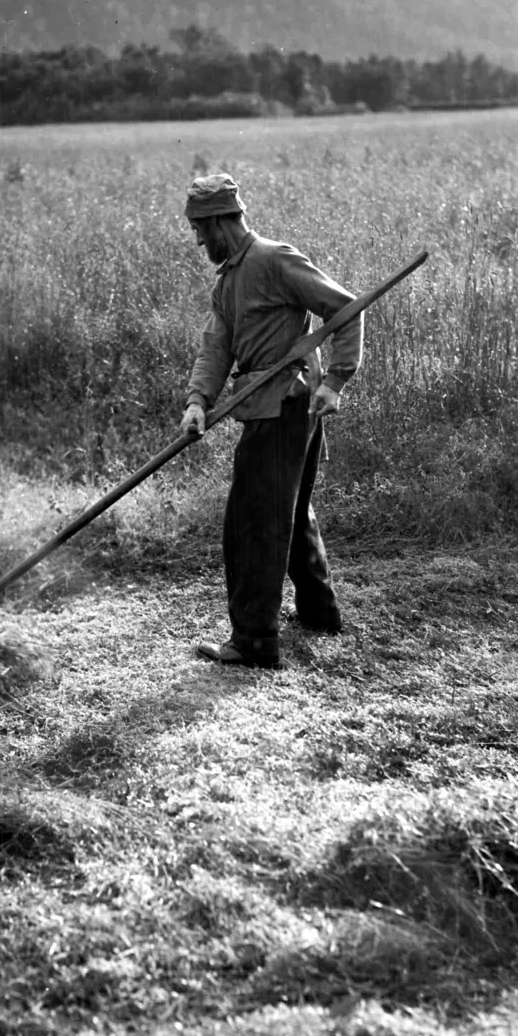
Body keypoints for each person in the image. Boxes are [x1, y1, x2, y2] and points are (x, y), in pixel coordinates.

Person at [179, 172, 364, 670]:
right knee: (291, 511)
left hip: (286, 406)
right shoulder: (228, 282)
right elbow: (216, 346)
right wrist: (198, 401)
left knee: (253, 521)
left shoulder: (272, 259)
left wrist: (336, 381)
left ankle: (255, 640)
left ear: (220, 221)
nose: (198, 240)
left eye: (200, 228)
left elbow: (344, 308)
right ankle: (320, 614)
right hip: (266, 406)